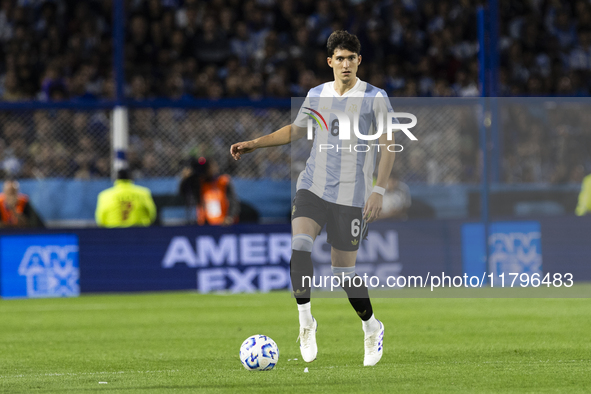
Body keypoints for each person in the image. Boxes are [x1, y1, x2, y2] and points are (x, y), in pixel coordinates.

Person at [230, 31, 396, 366]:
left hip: (351, 195)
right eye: (340, 58)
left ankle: (372, 327)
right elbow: (295, 130)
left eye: (351, 58)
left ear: (358, 61)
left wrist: (379, 189)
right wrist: (254, 143)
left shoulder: (375, 97)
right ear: (330, 62)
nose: (346, 64)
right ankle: (306, 322)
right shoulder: (317, 95)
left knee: (343, 274)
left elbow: (388, 144)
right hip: (313, 187)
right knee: (300, 246)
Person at [179, 157, 240, 226]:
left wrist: (230, 217)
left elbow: (233, 201)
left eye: (208, 166)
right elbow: (185, 192)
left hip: (224, 223)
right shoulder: (199, 183)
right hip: (205, 223)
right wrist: (186, 177)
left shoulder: (223, 181)